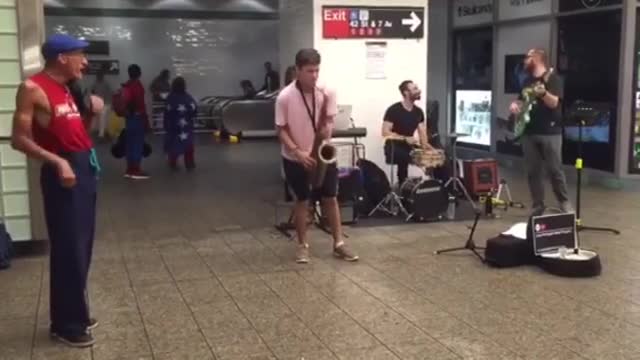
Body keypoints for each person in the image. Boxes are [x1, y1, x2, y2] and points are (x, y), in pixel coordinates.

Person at [11, 34, 104, 347]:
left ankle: (73, 310)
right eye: (80, 55)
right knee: (68, 249)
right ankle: (66, 324)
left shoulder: (68, 89)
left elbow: (79, 135)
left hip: (83, 168)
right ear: (62, 57)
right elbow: (18, 139)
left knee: (83, 246)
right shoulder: (33, 88)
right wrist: (56, 163)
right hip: (62, 173)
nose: (86, 62)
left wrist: (91, 112)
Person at [275, 48, 358, 264]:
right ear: (298, 70)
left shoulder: (327, 91)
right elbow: (281, 129)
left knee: (330, 197)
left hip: (322, 154)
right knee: (302, 200)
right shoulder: (285, 97)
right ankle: (302, 246)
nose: (315, 76)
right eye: (310, 71)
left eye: (317, 71)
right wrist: (298, 152)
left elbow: (330, 120)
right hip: (295, 156)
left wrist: (326, 130)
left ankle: (339, 243)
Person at [509, 48, 573, 216]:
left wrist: (544, 93)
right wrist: (516, 106)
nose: (525, 60)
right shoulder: (527, 81)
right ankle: (538, 205)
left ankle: (564, 202)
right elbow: (522, 100)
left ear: (537, 58)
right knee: (533, 171)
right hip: (528, 132)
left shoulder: (553, 79)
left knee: (554, 170)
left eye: (527, 57)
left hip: (550, 131)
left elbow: (554, 104)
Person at [382, 80, 433, 185]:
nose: (418, 91)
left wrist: (429, 149)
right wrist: (405, 138)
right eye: (415, 89)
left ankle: (438, 188)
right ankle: (403, 187)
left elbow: (422, 134)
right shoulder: (393, 110)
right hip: (393, 146)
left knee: (440, 157)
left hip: (409, 146)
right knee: (406, 157)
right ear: (406, 92)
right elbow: (385, 132)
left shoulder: (418, 112)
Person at [121, 64, 150, 179]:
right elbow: (141, 105)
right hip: (137, 118)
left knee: (130, 143)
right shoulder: (137, 86)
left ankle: (129, 169)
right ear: (139, 73)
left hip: (129, 118)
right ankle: (136, 170)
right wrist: (146, 122)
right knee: (137, 144)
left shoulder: (126, 85)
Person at [164, 77, 197, 170]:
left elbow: (167, 112)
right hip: (186, 126)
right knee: (188, 144)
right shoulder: (188, 97)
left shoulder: (170, 98)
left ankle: (173, 162)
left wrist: (166, 125)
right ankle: (189, 163)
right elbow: (194, 109)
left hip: (173, 126)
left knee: (174, 144)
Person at [90, 70, 112, 139]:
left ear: (102, 76)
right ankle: (96, 132)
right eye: (98, 75)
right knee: (96, 118)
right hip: (98, 104)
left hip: (106, 104)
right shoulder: (94, 84)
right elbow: (92, 93)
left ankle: (101, 135)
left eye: (100, 75)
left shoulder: (106, 84)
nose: (98, 77)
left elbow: (110, 94)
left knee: (103, 119)